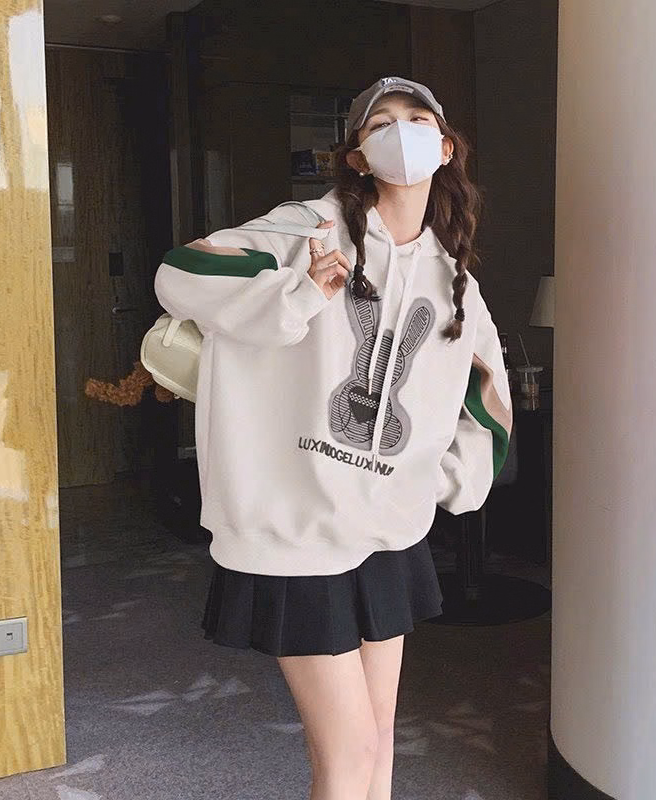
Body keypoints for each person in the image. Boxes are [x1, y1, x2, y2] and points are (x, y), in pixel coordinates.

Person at [153, 75, 513, 800]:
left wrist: (438, 482)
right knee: (348, 756)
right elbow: (182, 274)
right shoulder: (305, 230)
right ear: (356, 155)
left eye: (418, 119)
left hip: (387, 532)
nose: (402, 132)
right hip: (297, 531)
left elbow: (486, 398)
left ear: (445, 147)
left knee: (379, 744)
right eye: (380, 123)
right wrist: (298, 294)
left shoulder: (453, 277)